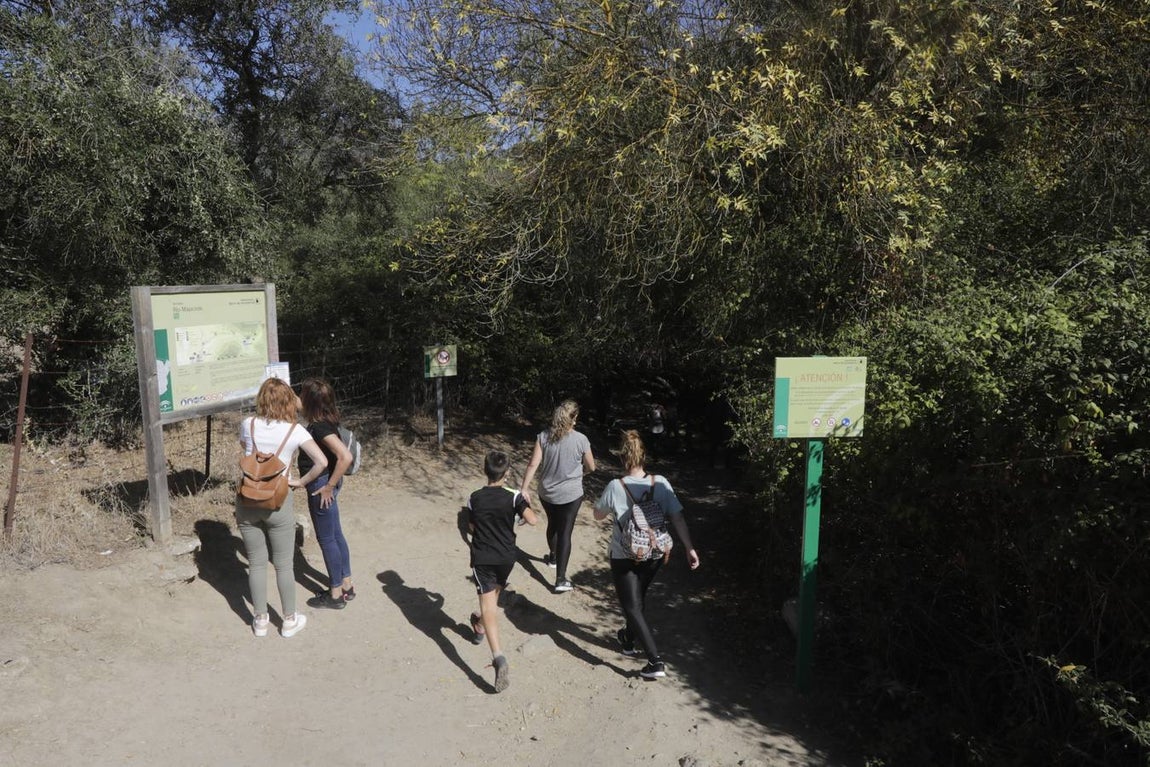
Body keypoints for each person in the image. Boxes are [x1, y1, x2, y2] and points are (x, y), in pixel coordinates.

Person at [593, 429, 700, 679]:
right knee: (638, 598)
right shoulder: (660, 483)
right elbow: (677, 517)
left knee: (631, 605)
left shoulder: (615, 486)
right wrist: (689, 548)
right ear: (644, 456)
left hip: (624, 554)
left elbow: (598, 515)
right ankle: (627, 638)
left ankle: (655, 661)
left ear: (623, 458)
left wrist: (612, 508)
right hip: (654, 554)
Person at [236, 377, 328, 638]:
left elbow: (245, 448)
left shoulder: (247, 424)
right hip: (279, 499)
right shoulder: (295, 431)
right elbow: (321, 462)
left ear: (261, 399)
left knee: (256, 562)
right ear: (289, 401)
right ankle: (289, 620)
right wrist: (300, 481)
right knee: (284, 564)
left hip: (247, 498)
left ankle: (260, 620)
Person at [466, 450, 538, 692]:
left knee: (489, 605)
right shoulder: (514, 497)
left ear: (485, 471)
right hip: (506, 557)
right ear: (506, 473)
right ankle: (479, 624)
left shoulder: (474, 497)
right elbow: (533, 520)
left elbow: (472, 526)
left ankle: (498, 657)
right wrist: (522, 509)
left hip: (483, 557)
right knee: (491, 600)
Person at [521, 399, 596, 593]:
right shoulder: (581, 439)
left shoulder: (543, 436)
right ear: (574, 418)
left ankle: (553, 557)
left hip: (547, 493)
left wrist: (524, 488)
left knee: (553, 525)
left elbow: (533, 464)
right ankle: (561, 578)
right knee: (565, 532)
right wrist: (581, 472)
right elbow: (591, 466)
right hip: (571, 494)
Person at [298, 378, 356, 610]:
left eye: (302, 394)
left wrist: (329, 486)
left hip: (322, 486)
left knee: (327, 539)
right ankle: (346, 585)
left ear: (310, 401)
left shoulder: (319, 428)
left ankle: (335, 594)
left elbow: (345, 457)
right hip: (329, 481)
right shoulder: (327, 419)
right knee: (336, 534)